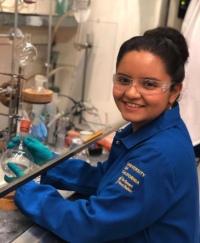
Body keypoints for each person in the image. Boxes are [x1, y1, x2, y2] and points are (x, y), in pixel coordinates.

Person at [5, 26, 199, 243]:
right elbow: (107, 179)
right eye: (124, 80)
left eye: (149, 84)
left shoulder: (158, 154)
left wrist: (26, 191)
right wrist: (50, 163)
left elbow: (89, 224)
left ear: (174, 91)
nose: (131, 93)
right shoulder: (151, 130)